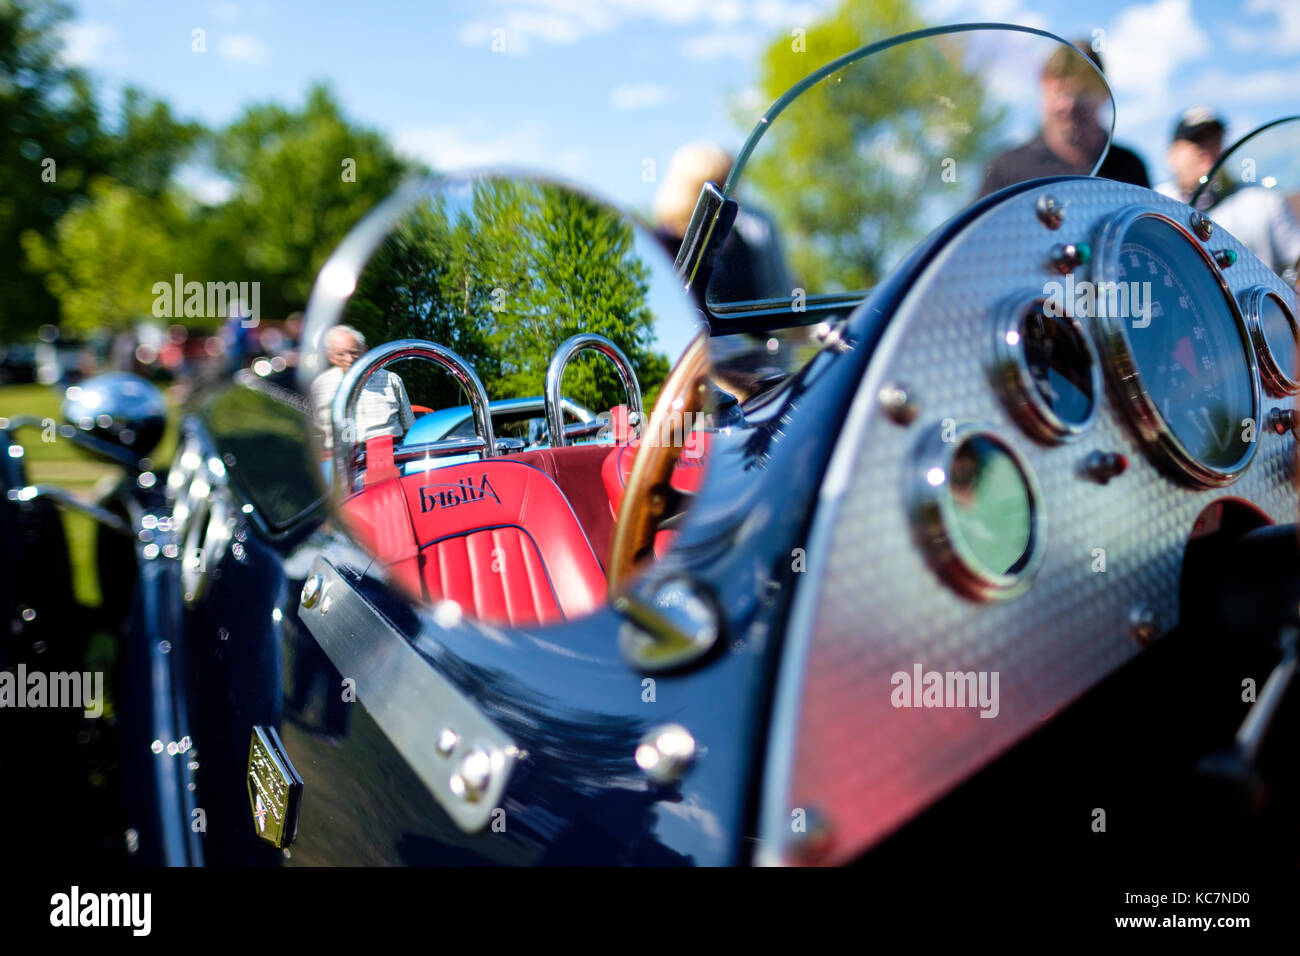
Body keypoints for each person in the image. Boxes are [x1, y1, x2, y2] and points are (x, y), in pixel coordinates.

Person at [979, 41, 1150, 197]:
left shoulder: (1130, 167)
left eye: (1081, 93)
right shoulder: (1007, 169)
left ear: (1104, 94)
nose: (1069, 104)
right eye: (1058, 92)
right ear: (1042, 93)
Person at [1156, 107, 1300, 279]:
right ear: (1171, 155)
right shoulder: (1156, 207)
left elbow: (1296, 261)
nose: (1207, 148)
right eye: (1197, 141)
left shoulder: (1263, 200)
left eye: (1215, 139)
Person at [310, 324, 415, 455]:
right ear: (330, 356)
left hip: (390, 455)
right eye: (340, 354)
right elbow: (315, 432)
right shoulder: (320, 385)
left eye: (354, 352)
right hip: (339, 459)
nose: (349, 359)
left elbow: (409, 428)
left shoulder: (391, 379)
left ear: (365, 351)